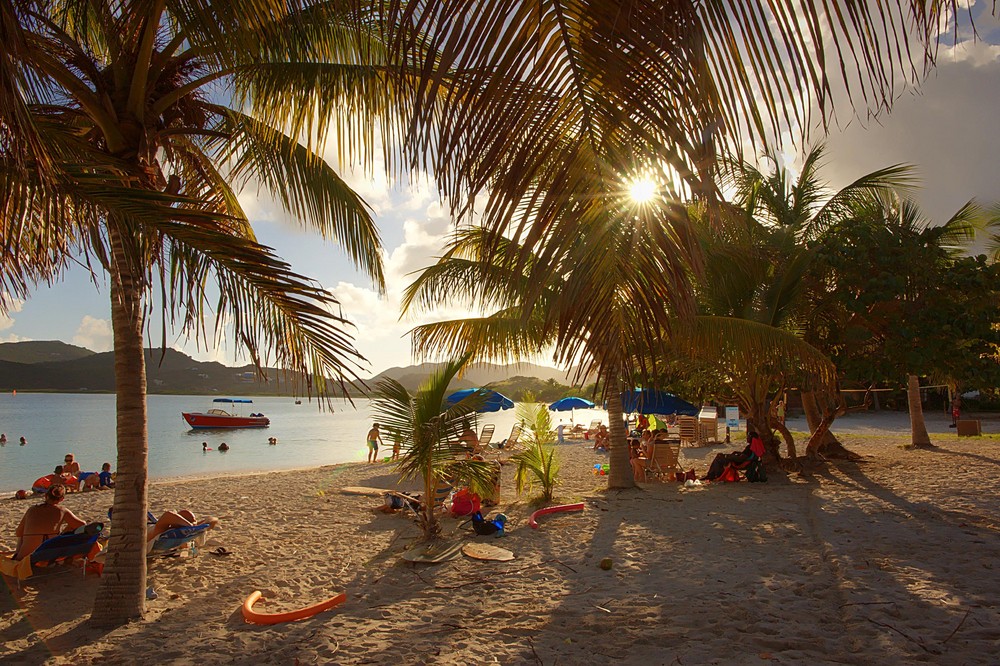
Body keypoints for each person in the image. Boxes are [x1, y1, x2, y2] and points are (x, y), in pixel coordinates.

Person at [13, 485, 86, 560]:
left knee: (21, 536)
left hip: (26, 557)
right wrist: (65, 530)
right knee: (72, 526)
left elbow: (18, 533)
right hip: (50, 556)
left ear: (45, 495)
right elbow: (82, 524)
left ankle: (17, 555)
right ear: (62, 499)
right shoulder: (62, 511)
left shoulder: (31, 510)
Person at [146, 510, 218, 551]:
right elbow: (212, 521)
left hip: (149, 532)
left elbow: (213, 520)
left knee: (183, 514)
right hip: (149, 529)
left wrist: (191, 526)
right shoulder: (163, 528)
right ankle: (188, 522)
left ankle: (188, 522)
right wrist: (193, 526)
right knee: (184, 514)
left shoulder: (160, 530)